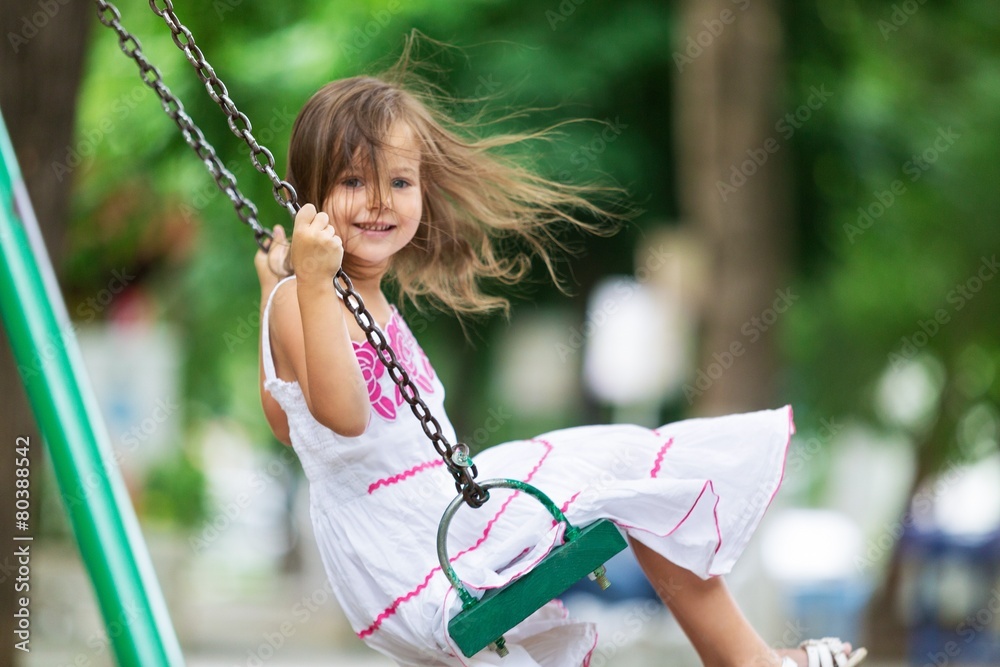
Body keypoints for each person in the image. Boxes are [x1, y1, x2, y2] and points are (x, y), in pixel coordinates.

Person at [253, 60, 867, 667]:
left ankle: (741, 658)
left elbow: (289, 423)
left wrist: (276, 289)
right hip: (405, 552)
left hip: (440, 517)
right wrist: (300, 285)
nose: (380, 202)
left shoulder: (353, 297)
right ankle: (745, 661)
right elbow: (341, 418)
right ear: (309, 198)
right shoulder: (308, 295)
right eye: (354, 182)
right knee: (620, 475)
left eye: (401, 182)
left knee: (632, 476)